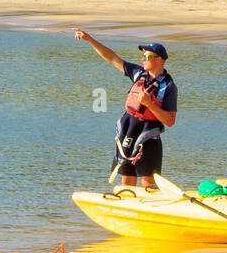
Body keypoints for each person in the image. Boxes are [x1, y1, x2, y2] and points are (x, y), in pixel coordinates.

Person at [74, 30, 177, 189]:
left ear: (159, 60)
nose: (143, 59)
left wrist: (150, 105)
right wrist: (89, 40)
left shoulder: (168, 87)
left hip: (149, 137)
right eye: (143, 56)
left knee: (148, 185)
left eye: (148, 57)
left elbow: (170, 121)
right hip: (128, 131)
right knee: (127, 180)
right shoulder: (138, 73)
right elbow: (112, 57)